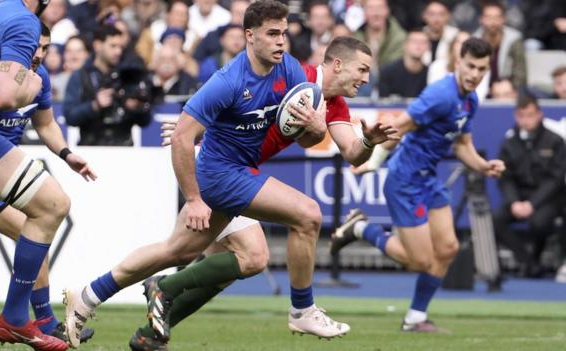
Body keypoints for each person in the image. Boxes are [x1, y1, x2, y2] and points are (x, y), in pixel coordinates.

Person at [62, 1, 355, 347]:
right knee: (305, 217)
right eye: (272, 33)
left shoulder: (289, 69)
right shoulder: (227, 81)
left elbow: (305, 137)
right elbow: (182, 138)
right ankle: (301, 310)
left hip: (240, 171)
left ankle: (89, 296)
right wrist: (194, 199)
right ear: (249, 36)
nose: (280, 41)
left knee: (176, 252)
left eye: (284, 33)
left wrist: (317, 128)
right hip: (218, 174)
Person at [129, 35, 399, 351]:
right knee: (279, 235)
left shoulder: (334, 104)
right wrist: (193, 125)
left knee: (216, 265)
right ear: (338, 64)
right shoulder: (296, 76)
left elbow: (353, 154)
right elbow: (241, 95)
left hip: (239, 172)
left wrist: (368, 142)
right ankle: (143, 289)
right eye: (363, 69)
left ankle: (150, 327)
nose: (367, 79)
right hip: (220, 168)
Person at [0, 0, 92, 349]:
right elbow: (5, 97)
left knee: (53, 204)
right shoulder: (23, 23)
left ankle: (15, 319)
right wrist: (33, 82)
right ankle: (38, 317)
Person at [333, 37, 505, 332]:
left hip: (428, 179)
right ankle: (361, 228)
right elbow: (397, 125)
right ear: (458, 62)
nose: (475, 74)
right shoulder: (441, 94)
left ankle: (415, 318)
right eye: (470, 66)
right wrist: (373, 164)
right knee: (420, 261)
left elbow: (463, 145)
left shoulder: (471, 99)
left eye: (481, 68)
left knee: (448, 248)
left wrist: (483, 165)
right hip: (405, 180)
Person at [492, 94, 566, 278]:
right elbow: (505, 177)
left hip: (547, 199)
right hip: (519, 197)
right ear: (516, 116)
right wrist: (514, 202)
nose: (526, 120)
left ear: (539, 114)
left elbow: (555, 179)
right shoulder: (510, 142)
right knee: (495, 219)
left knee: (539, 222)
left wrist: (532, 204)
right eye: (522, 115)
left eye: (530, 115)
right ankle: (528, 262)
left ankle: (535, 259)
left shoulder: (555, 140)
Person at [64, 25, 152, 146]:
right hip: (91, 148)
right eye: (113, 46)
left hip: (123, 149)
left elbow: (146, 121)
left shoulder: (130, 75)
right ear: (97, 45)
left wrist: (136, 108)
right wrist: (94, 105)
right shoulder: (80, 76)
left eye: (120, 47)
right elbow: (70, 117)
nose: (118, 51)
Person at [378, 29, 429, 98]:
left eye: (423, 42)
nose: (419, 46)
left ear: (428, 47)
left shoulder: (430, 73)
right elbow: (382, 103)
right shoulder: (388, 72)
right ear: (405, 45)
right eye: (415, 42)